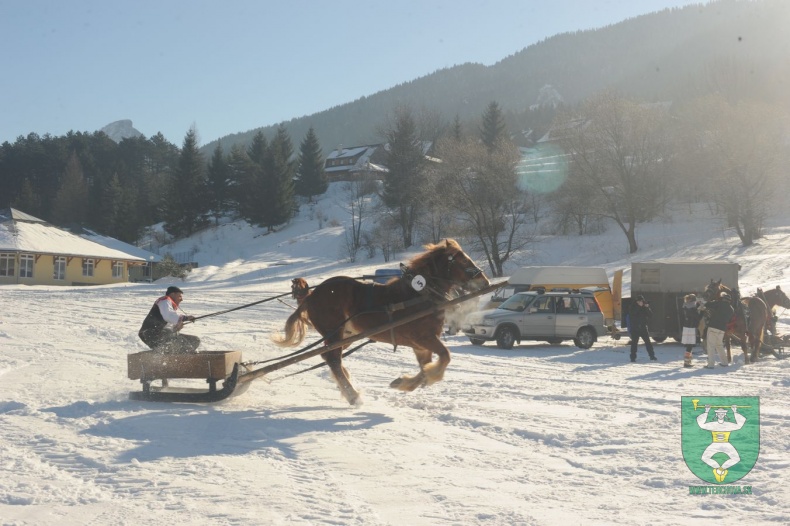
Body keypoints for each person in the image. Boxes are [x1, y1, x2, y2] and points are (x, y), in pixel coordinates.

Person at [138, 286, 200, 354]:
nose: (181, 299)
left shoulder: (168, 306)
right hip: (150, 334)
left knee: (194, 340)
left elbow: (169, 326)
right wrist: (185, 318)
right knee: (182, 344)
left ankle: (178, 358)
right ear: (172, 294)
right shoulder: (165, 300)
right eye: (179, 296)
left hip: (160, 334)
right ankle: (177, 358)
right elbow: (168, 316)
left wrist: (177, 328)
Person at [701, 293, 734, 368]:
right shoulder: (731, 309)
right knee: (719, 345)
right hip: (722, 329)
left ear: (723, 299)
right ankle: (724, 362)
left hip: (713, 327)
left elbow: (708, 304)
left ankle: (710, 364)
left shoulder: (719, 303)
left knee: (711, 346)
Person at [629, 295, 656, 362]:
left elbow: (650, 315)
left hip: (643, 327)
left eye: (641, 301)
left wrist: (647, 308)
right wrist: (639, 306)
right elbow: (633, 313)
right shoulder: (633, 306)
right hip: (635, 328)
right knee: (634, 344)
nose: (641, 302)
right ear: (637, 301)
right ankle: (633, 357)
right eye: (639, 301)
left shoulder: (644, 307)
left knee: (648, 343)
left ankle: (652, 356)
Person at [681, 293, 702, 367]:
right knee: (689, 346)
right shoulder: (693, 309)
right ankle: (686, 362)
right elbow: (698, 318)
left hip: (686, 327)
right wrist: (701, 312)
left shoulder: (686, 306)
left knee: (689, 345)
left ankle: (688, 361)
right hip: (691, 327)